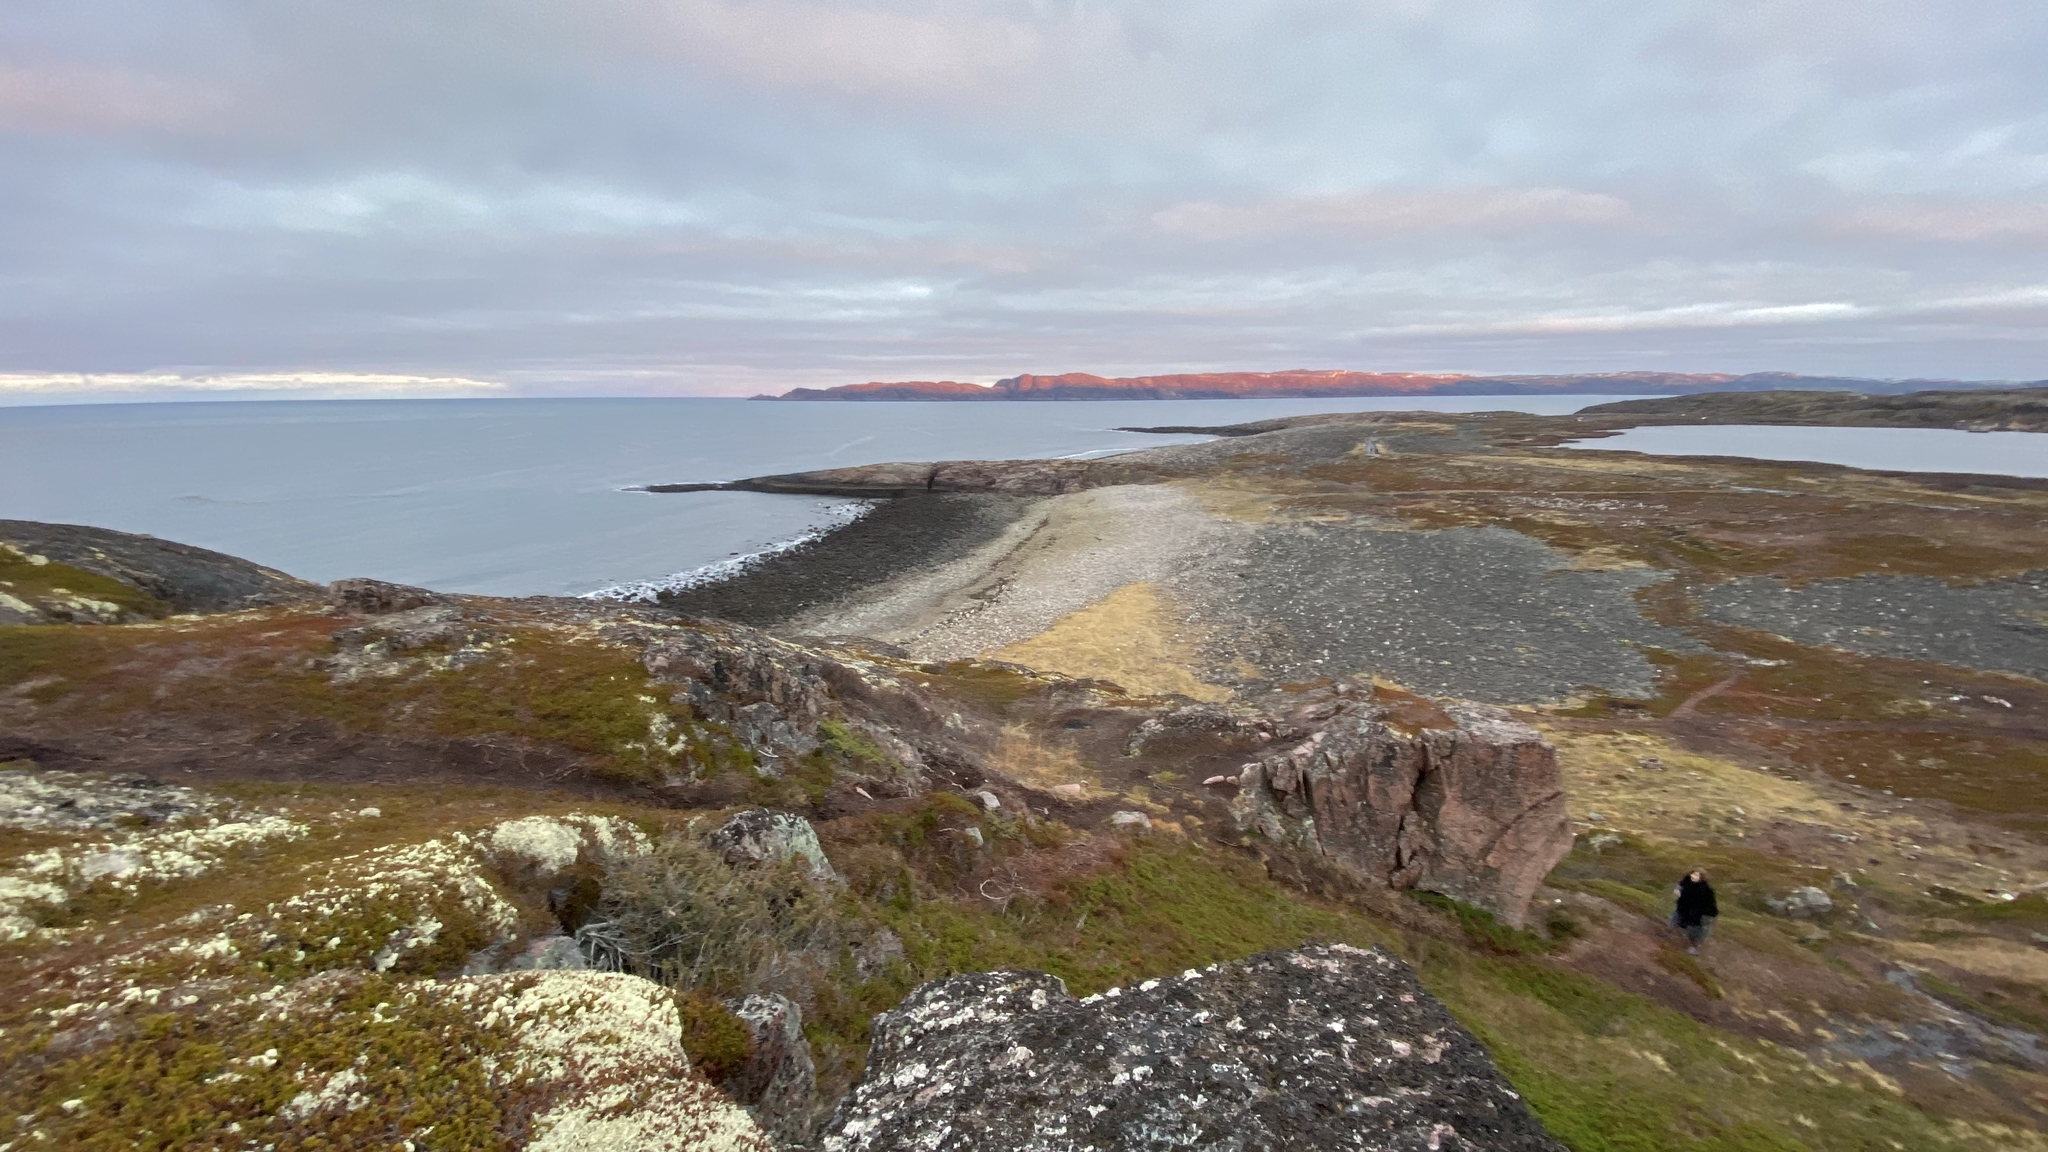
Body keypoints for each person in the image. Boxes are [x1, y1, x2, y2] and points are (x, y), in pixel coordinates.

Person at [1671, 869, 1718, 954]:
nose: (1693, 876)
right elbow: (1680, 888)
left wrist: (1702, 914)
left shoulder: (1705, 889)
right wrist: (1678, 891)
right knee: (1676, 922)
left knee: (1695, 932)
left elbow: (1709, 905)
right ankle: (1675, 939)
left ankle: (1694, 947)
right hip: (1684, 910)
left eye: (1696, 875)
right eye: (1693, 874)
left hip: (1700, 914)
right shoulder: (1686, 883)